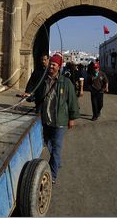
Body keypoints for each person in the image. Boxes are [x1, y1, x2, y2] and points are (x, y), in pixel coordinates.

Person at [33, 53, 80, 184]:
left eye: (54, 64)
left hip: (60, 121)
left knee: (57, 147)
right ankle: (56, 160)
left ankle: (53, 175)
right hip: (46, 119)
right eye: (50, 64)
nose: (51, 66)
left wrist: (72, 117)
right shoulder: (44, 80)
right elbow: (39, 97)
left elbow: (72, 101)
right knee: (47, 141)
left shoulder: (66, 82)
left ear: (59, 67)